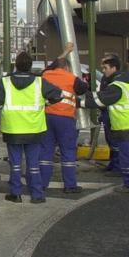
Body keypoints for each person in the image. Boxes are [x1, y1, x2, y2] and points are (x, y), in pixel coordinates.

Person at [0, 51, 64, 203]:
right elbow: (59, 95)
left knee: (15, 163)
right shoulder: (40, 82)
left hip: (12, 129)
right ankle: (37, 194)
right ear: (31, 65)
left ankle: (15, 193)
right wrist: (46, 103)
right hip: (34, 129)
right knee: (33, 163)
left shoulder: (5, 82)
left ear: (16, 65)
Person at [88, 53, 129, 193]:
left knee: (126, 157)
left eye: (105, 67)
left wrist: (79, 101)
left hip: (126, 126)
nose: (103, 70)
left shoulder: (116, 86)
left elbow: (101, 100)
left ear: (113, 68)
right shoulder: (127, 82)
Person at [39, 43, 90, 194]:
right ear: (67, 68)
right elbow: (83, 89)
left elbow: (54, 64)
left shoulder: (45, 75)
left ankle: (42, 183)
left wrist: (65, 52)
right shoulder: (72, 78)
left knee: (45, 151)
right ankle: (70, 185)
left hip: (47, 117)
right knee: (68, 152)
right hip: (65, 119)